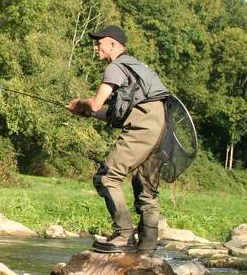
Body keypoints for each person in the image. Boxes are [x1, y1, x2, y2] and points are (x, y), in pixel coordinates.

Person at [66, 25, 170, 254]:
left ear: (113, 44)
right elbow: (115, 115)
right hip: (160, 128)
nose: (95, 47)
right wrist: (91, 113)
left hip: (143, 128)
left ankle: (123, 235)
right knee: (145, 190)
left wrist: (82, 105)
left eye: (99, 43)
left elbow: (95, 103)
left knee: (106, 177)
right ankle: (147, 249)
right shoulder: (138, 68)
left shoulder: (115, 67)